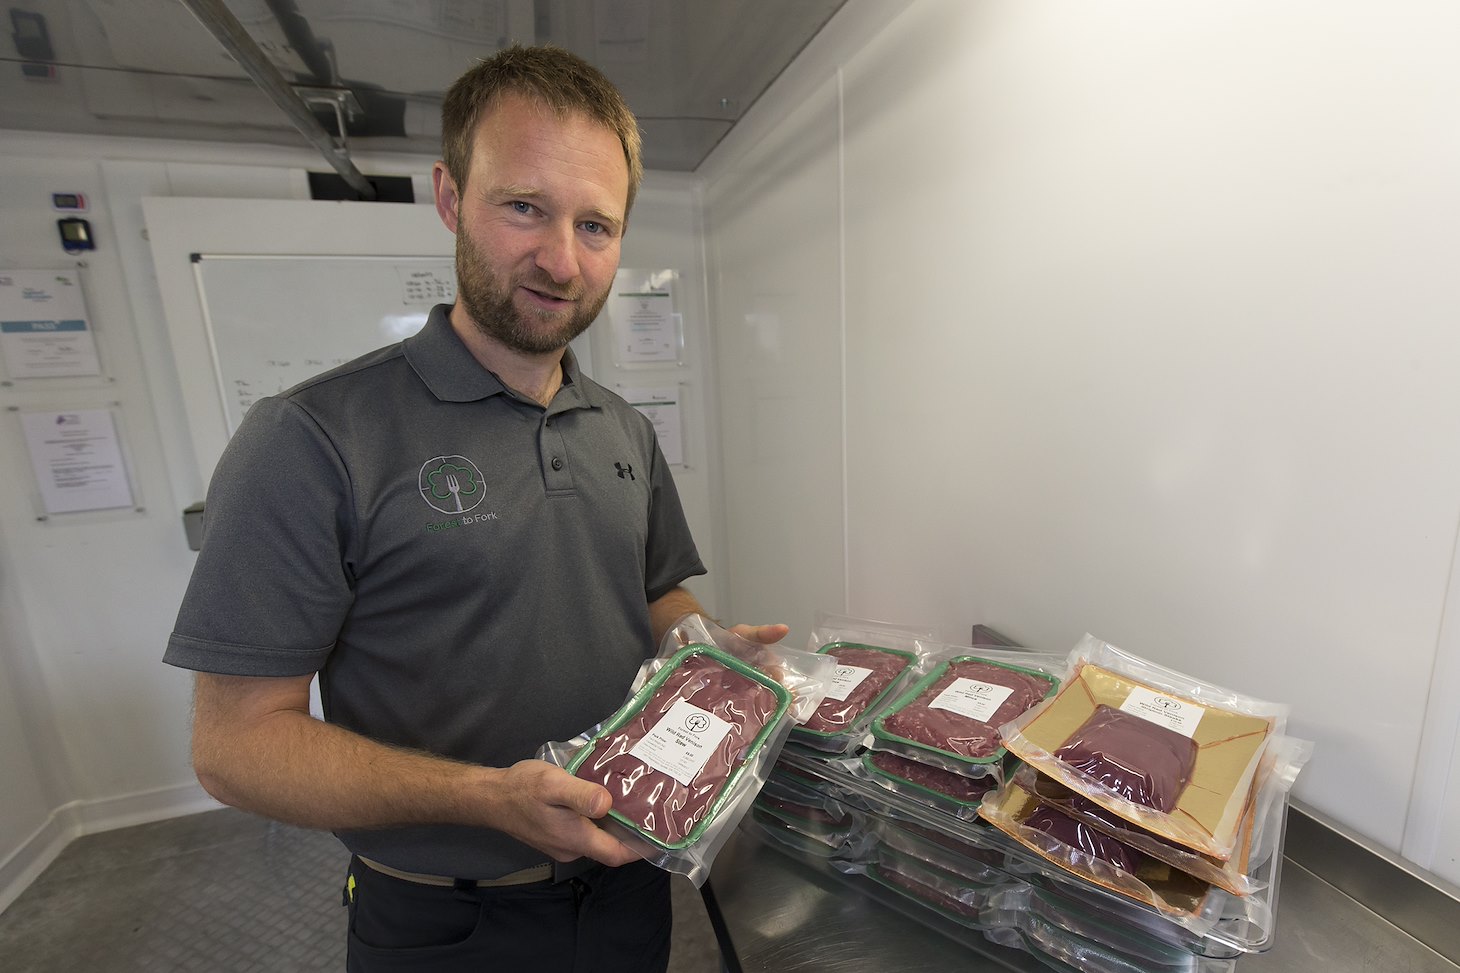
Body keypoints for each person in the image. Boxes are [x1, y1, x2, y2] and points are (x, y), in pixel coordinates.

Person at [163, 44, 786, 973]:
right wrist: (489, 798)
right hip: (444, 922)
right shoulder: (311, 437)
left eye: (596, 224)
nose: (561, 260)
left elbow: (655, 593)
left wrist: (704, 648)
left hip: (628, 881)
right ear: (450, 197)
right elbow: (235, 747)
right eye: (524, 206)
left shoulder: (622, 427)